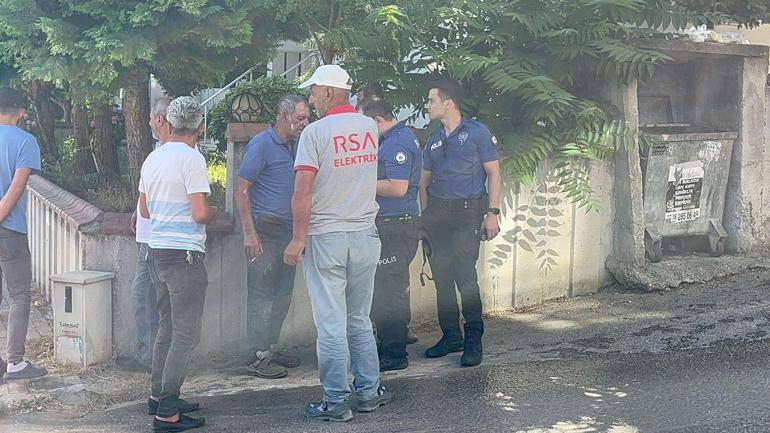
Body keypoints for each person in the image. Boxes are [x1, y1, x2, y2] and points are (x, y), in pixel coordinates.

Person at [284, 65, 391, 422]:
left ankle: (334, 401)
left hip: (326, 237)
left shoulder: (314, 133)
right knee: (359, 320)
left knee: (331, 324)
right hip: (364, 235)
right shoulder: (368, 127)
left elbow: (303, 193)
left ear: (328, 92)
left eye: (314, 92)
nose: (311, 99)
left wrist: (298, 240)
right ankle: (368, 391)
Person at [139, 96, 217, 432]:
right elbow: (200, 212)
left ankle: (158, 396)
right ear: (200, 126)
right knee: (185, 336)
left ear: (168, 123)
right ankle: (167, 413)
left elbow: (144, 212)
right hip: (185, 256)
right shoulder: (192, 159)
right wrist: (215, 214)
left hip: (156, 253)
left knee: (167, 330)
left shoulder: (153, 158)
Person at [420, 79, 502, 367]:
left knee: (464, 276)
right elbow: (424, 181)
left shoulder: (477, 133)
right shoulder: (433, 138)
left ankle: (473, 339)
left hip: (468, 213)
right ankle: (451, 335)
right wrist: (424, 217)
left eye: (431, 100)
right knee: (441, 278)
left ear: (448, 103)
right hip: (437, 214)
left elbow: (493, 173)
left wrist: (492, 212)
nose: (427, 106)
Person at [234, 94, 310, 379]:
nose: (305, 122)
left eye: (307, 117)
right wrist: (249, 233)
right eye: (299, 118)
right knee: (262, 296)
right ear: (283, 116)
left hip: (289, 232)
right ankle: (256, 357)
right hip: (265, 230)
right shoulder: (262, 144)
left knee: (282, 295)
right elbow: (242, 189)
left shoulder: (299, 145)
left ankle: (271, 347)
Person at [357, 98, 422, 372]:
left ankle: (393, 353)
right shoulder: (393, 138)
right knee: (389, 285)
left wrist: (359, 183)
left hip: (395, 225)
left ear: (377, 120)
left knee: (388, 289)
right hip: (394, 223)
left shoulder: (395, 144)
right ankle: (391, 344)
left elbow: (397, 187)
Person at [122, 96, 173, 373]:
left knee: (150, 297)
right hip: (148, 235)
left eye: (152, 117)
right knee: (144, 297)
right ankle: (148, 355)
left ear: (161, 120)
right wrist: (136, 210)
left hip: (157, 238)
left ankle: (153, 358)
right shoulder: (160, 151)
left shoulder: (170, 153)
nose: (149, 122)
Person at [0, 87, 47, 380]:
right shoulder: (26, 142)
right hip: (10, 230)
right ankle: (15, 363)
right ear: (20, 111)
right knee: (19, 294)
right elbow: (16, 189)